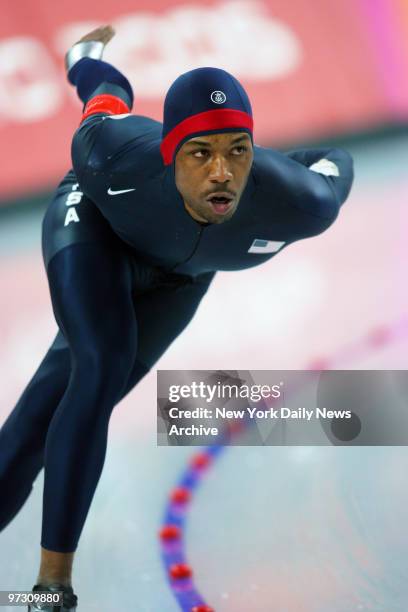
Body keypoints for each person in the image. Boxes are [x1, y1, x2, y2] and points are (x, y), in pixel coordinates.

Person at [0, 25, 354, 612]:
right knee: (100, 367)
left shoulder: (299, 204)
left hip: (178, 281)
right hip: (95, 230)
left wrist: (281, 165)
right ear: (170, 154)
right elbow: (107, 96)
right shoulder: (112, 153)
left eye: (237, 151)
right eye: (200, 153)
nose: (221, 173)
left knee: (39, 425)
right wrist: (86, 59)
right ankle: (51, 588)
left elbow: (336, 164)